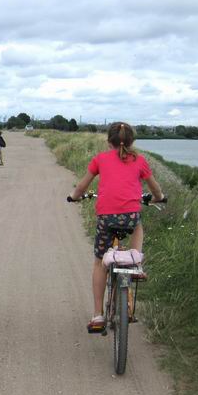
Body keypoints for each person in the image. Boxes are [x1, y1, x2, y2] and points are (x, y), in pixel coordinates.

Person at [68, 122, 164, 333]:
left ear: (108, 140)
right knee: (137, 225)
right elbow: (154, 187)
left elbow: (83, 185)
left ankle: (97, 315)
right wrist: (159, 198)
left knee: (99, 262)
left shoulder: (100, 159)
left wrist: (74, 197)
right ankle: (136, 261)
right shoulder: (139, 160)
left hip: (106, 218)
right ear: (132, 141)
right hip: (129, 216)